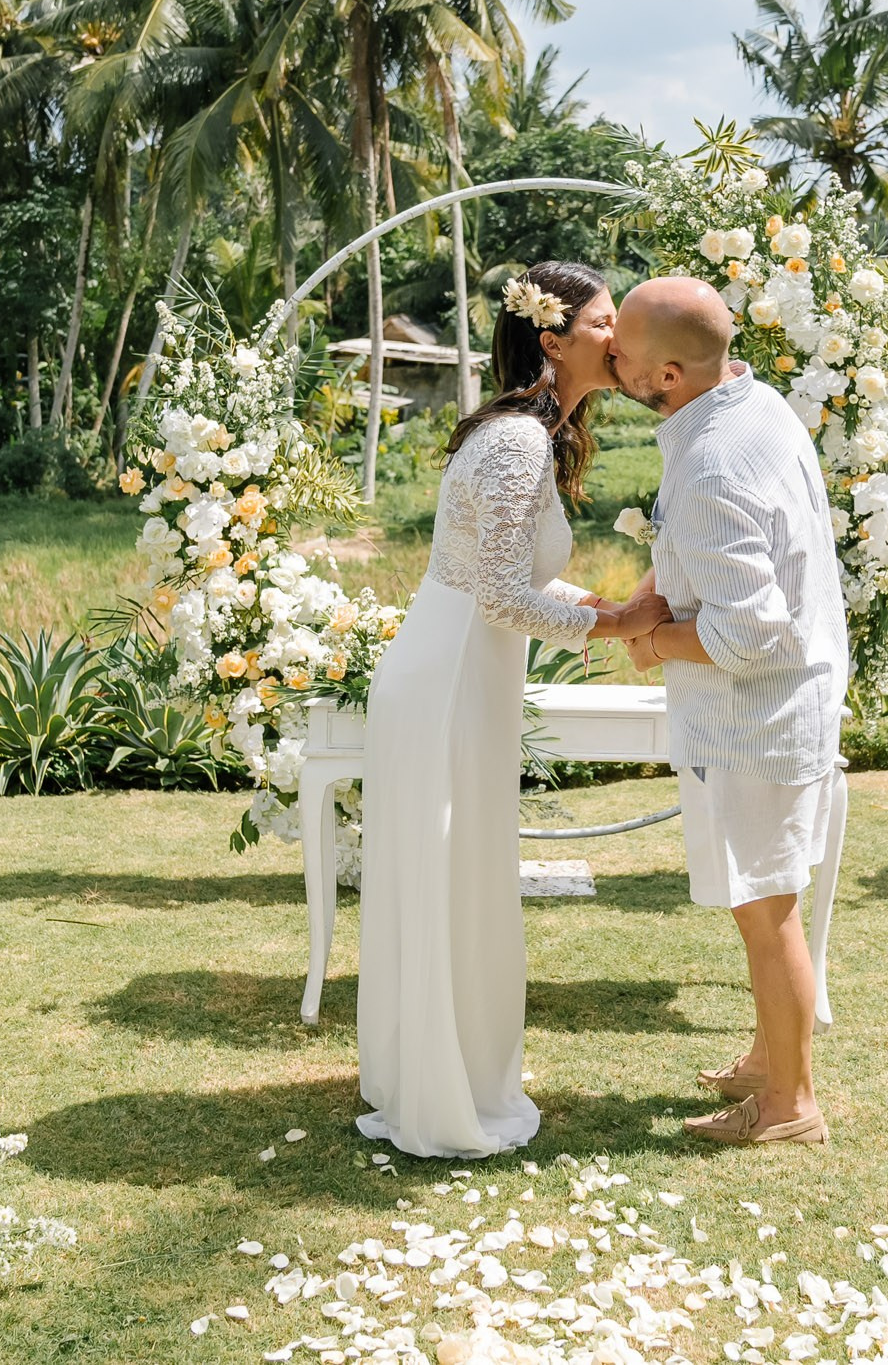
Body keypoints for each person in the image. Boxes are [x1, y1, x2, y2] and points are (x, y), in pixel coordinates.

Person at [355, 261, 665, 1159]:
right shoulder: (520, 441)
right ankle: (442, 1092)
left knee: (464, 875)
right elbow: (496, 595)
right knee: (454, 878)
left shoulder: (534, 434)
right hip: (448, 677)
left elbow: (515, 579)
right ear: (553, 338)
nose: (623, 336)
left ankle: (444, 1068)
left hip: (464, 670)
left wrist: (608, 608)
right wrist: (611, 624)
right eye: (607, 321)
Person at [608, 276, 847, 1148]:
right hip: (792, 705)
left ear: (668, 373)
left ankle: (790, 1105)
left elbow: (750, 633)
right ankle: (766, 1059)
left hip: (759, 719)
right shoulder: (754, 404)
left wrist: (654, 643)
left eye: (624, 352)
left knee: (767, 911)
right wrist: (659, 586)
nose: (610, 358)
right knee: (767, 902)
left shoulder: (709, 462)